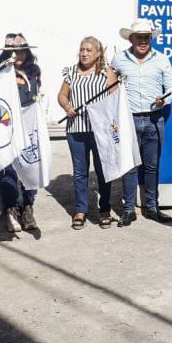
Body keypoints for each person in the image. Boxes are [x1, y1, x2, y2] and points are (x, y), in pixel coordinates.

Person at [111, 18, 172, 227]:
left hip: (154, 119)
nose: (143, 41)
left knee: (151, 166)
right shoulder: (118, 60)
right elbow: (110, 86)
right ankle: (129, 209)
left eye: (147, 37)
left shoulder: (162, 60)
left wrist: (164, 99)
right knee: (129, 166)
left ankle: (152, 207)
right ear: (131, 38)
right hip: (128, 119)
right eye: (139, 37)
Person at [58, 36, 116, 230]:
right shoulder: (72, 72)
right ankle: (81, 210)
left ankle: (105, 209)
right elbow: (62, 95)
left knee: (103, 172)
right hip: (76, 130)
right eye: (82, 49)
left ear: (98, 53)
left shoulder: (106, 73)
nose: (84, 53)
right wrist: (67, 107)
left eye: (89, 50)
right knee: (80, 173)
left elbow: (115, 99)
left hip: (100, 132)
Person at [0, 32, 42, 233]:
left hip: (29, 124)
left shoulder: (34, 70)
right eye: (14, 51)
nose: (19, 55)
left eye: (22, 50)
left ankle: (28, 207)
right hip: (5, 124)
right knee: (8, 169)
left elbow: (36, 94)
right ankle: (10, 208)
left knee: (30, 163)